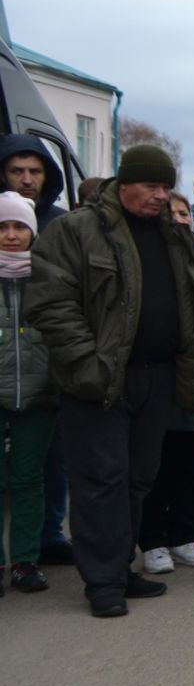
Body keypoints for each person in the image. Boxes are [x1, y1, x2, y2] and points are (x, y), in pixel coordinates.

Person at [26, 145, 194, 618]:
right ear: (123, 183)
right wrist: (87, 364)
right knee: (101, 481)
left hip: (157, 378)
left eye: (165, 187)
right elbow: (51, 303)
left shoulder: (178, 238)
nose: (159, 196)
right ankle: (103, 582)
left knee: (137, 479)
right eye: (151, 186)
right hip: (98, 380)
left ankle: (121, 567)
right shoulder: (76, 231)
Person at [136, 191, 194, 573]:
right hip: (160, 373)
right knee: (157, 463)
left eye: (185, 213)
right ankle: (152, 541)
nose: (179, 219)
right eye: (172, 213)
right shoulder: (150, 255)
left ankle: (185, 536)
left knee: (193, 461)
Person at [1, 134, 73, 567]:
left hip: (45, 375)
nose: (27, 180)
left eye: (35, 171)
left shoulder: (59, 224)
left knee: (49, 461)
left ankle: (46, 539)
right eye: (17, 171)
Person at [0, 191, 55, 595]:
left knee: (27, 478)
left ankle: (24, 561)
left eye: (20, 226)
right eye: (2, 227)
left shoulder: (47, 275)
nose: (11, 235)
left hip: (38, 394)